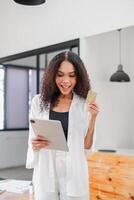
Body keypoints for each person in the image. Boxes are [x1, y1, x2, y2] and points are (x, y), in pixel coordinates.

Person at [26, 51, 99, 200]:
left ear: (78, 77)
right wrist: (35, 145)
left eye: (72, 75)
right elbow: (32, 140)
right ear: (52, 75)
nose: (66, 80)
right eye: (60, 74)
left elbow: (86, 147)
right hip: (46, 171)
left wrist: (93, 119)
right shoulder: (38, 102)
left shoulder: (84, 104)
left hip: (74, 174)